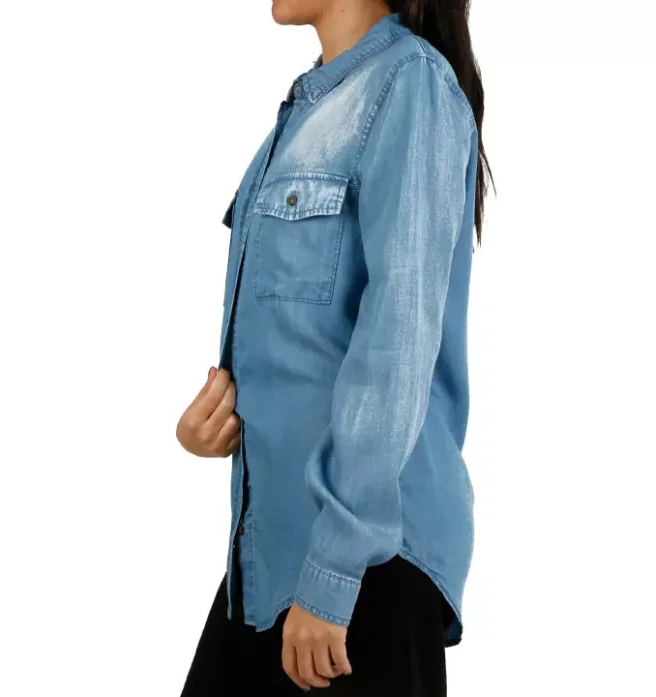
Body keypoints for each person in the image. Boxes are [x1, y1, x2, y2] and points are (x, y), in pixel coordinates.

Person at [175, 1, 491, 694]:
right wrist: (221, 420)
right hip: (275, 559)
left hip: (363, 564)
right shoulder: (303, 113)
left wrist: (333, 573)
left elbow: (396, 342)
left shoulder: (410, 85)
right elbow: (305, 344)